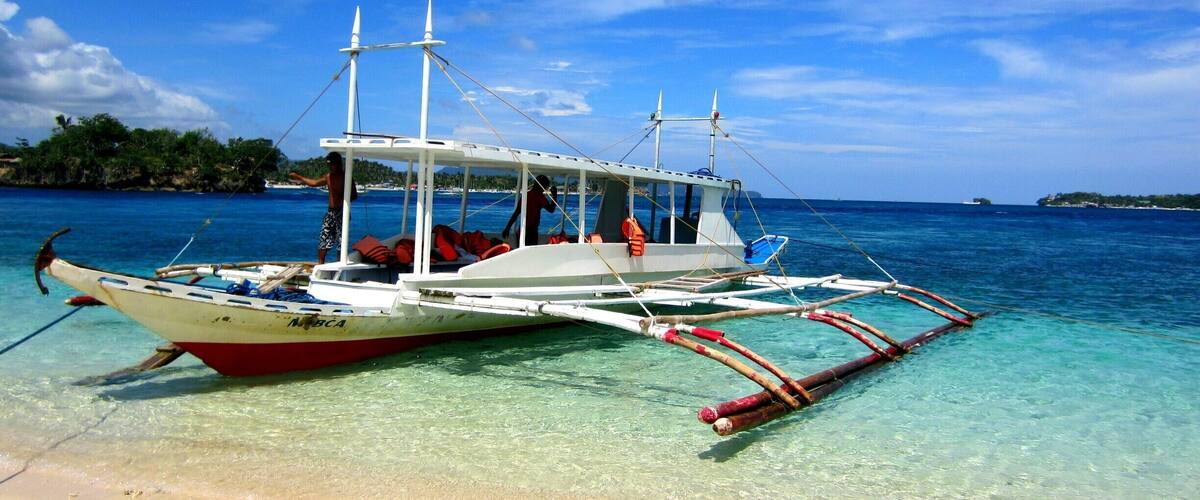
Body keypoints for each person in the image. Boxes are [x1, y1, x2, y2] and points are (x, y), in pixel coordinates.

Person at [289, 152, 358, 264]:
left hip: (342, 212)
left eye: (333, 165)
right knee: (324, 238)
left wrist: (342, 195)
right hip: (330, 212)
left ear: (339, 164)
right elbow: (314, 183)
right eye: (329, 165)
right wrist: (299, 177)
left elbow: (354, 196)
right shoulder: (328, 177)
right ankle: (320, 263)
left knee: (342, 241)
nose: (331, 167)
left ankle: (339, 264)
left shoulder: (347, 178)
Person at [502, 174, 557, 247]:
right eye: (545, 186)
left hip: (521, 230)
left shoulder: (526, 195)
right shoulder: (539, 197)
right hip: (531, 231)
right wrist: (554, 196)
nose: (545, 189)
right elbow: (551, 209)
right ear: (542, 185)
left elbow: (516, 213)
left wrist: (507, 228)